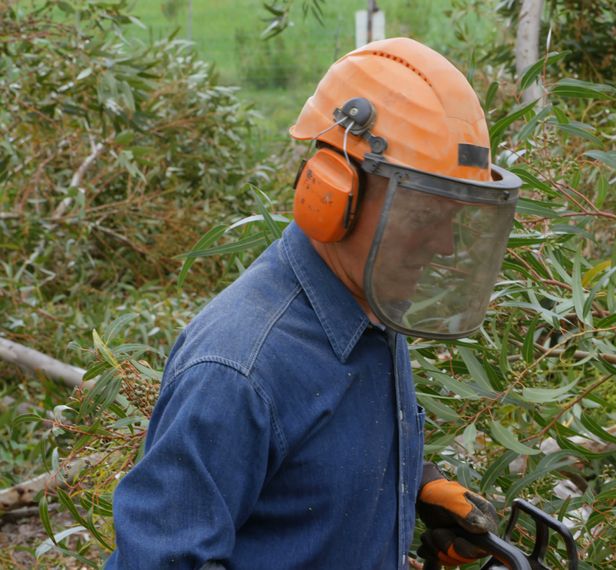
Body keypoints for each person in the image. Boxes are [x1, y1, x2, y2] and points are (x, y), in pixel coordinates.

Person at [106, 37, 521, 569]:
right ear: (333, 191)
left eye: (451, 217)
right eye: (424, 216)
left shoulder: (368, 308)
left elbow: (313, 453)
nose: (443, 244)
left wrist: (419, 487)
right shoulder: (238, 371)